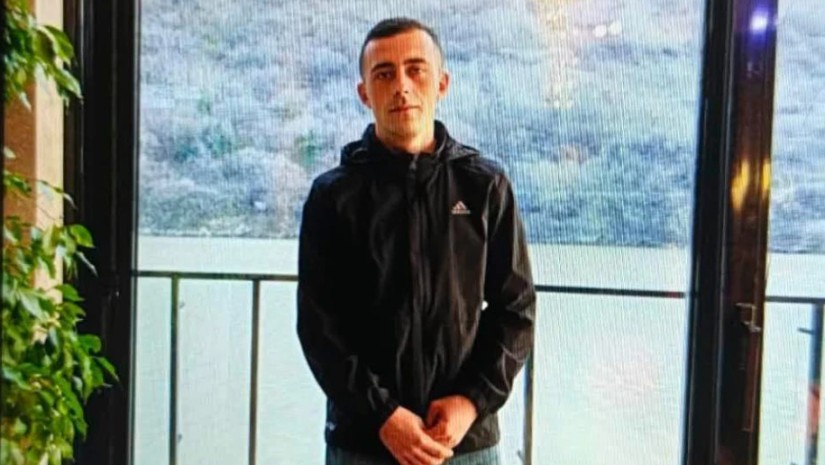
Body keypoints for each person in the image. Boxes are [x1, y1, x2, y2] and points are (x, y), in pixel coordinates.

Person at [297, 17, 536, 465]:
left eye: (415, 69)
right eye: (384, 74)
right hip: (363, 442)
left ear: (441, 83)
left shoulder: (484, 186)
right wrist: (383, 415)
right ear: (365, 93)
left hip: (465, 442)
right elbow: (319, 325)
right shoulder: (333, 197)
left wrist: (470, 402)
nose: (401, 86)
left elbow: (516, 309)